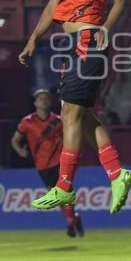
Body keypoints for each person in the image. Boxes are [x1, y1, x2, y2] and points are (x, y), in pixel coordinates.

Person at [18, 0, 131, 214]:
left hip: (88, 38)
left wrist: (106, 29)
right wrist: (33, 40)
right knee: (80, 115)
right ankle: (116, 173)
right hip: (67, 42)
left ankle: (65, 186)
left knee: (70, 112)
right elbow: (52, 5)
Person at [11, 89, 84, 237]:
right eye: (40, 99)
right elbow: (15, 140)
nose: (43, 101)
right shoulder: (27, 122)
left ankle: (71, 221)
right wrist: (20, 151)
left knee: (65, 191)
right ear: (35, 103)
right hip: (42, 165)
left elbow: (73, 137)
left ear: (50, 102)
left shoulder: (58, 120)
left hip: (60, 161)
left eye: (46, 98)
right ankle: (74, 218)